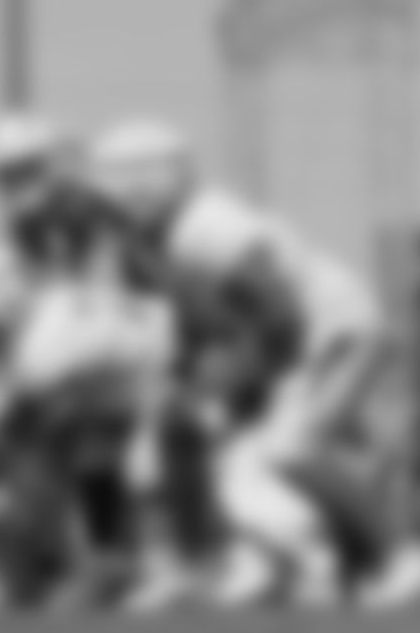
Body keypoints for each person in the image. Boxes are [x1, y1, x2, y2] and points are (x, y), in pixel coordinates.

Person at [90, 117, 388, 608]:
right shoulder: (162, 238)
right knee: (161, 453)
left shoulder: (209, 226)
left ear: (143, 183)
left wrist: (235, 388)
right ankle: (203, 566)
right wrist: (188, 391)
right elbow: (196, 326)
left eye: (112, 196)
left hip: (331, 333)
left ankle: (391, 563)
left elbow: (283, 317)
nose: (109, 213)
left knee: (283, 453)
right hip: (292, 346)